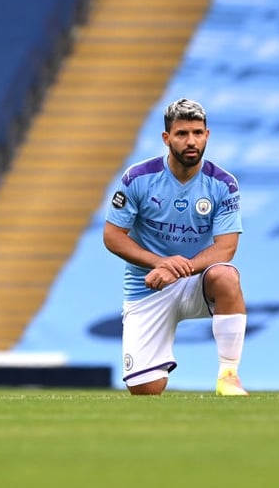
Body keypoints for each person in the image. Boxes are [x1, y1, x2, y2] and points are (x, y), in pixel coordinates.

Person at [103, 98, 249, 396]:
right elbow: (113, 235)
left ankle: (228, 376)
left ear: (207, 135)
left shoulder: (223, 184)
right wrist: (160, 263)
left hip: (193, 281)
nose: (191, 141)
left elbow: (226, 248)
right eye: (182, 134)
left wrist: (178, 269)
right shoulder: (138, 179)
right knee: (145, 390)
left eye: (197, 133)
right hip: (148, 286)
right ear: (166, 138)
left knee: (226, 276)